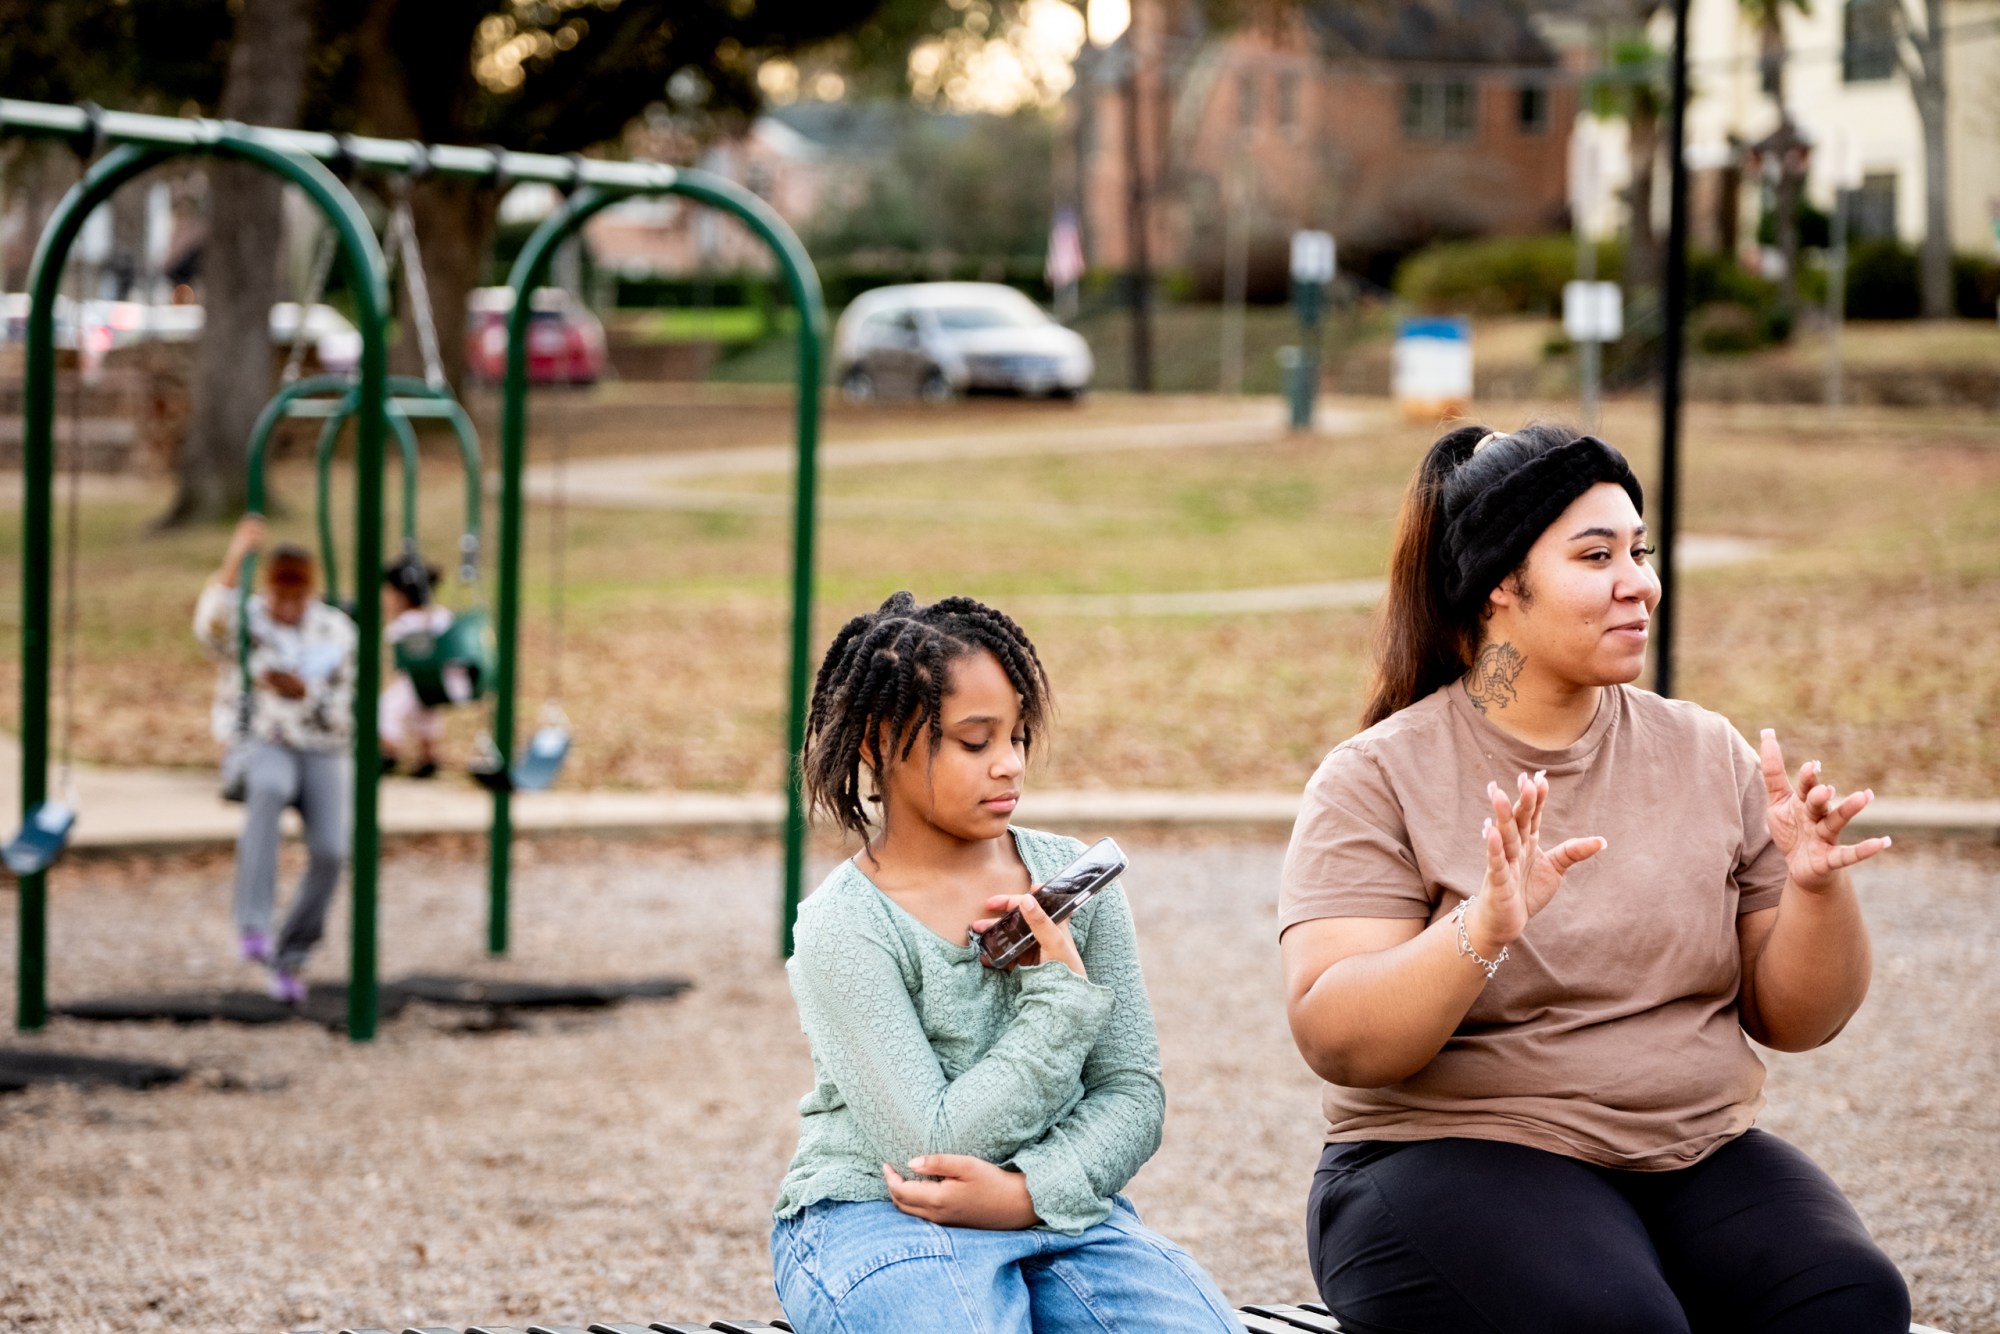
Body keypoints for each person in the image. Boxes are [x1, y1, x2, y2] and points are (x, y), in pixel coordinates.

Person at [1279, 422, 1911, 1334]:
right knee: (1617, 1324)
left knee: (1851, 1302)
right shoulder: (1378, 775)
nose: (1639, 583)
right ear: (1501, 584)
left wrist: (1815, 891)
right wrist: (1482, 930)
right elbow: (1339, 1039)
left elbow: (1800, 1021)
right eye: (1596, 555)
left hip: (1693, 1154)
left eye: (1639, 552)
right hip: (1445, 1155)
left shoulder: (1704, 750)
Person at [770, 591, 1243, 1333]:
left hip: (1060, 1215)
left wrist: (1028, 1193)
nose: (1010, 765)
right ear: (877, 742)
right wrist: (1058, 996)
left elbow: (1131, 1093)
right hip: (880, 1213)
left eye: (1019, 736)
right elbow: (932, 1147)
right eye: (975, 742)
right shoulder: (843, 925)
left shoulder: (1074, 881)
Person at [193, 515, 357, 1005]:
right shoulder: (249, 620)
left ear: (310, 594)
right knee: (268, 788)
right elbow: (209, 631)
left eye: (296, 599)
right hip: (265, 737)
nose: (286, 608)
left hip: (323, 744)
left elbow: (350, 703)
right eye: (279, 597)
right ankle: (253, 924)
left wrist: (306, 693)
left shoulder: (335, 630)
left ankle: (293, 953)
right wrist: (235, 558)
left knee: (332, 849)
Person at [378, 554, 461, 778]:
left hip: (420, 679)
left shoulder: (403, 624)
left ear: (402, 596)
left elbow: (396, 649)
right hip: (449, 681)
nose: (385, 601)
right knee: (425, 714)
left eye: (388, 594)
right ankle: (429, 757)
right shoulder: (442, 615)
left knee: (387, 707)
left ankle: (388, 752)